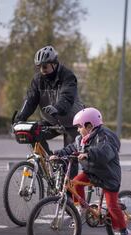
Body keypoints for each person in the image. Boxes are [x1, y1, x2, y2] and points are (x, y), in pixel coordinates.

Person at [50, 107, 131, 235]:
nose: (77, 130)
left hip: (108, 176)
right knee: (74, 183)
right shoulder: (81, 139)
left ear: (89, 126)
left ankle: (125, 234)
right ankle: (81, 209)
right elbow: (72, 148)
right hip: (92, 172)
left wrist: (89, 154)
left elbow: (105, 151)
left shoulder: (105, 136)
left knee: (112, 206)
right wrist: (58, 154)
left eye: (79, 127)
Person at [15, 45, 84, 177]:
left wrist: (57, 108)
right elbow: (30, 101)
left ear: (54, 64)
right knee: (33, 132)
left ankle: (69, 195)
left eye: (45, 66)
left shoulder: (67, 76)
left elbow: (67, 97)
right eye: (39, 67)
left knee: (70, 159)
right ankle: (49, 162)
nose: (42, 70)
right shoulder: (37, 80)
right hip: (51, 121)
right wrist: (19, 119)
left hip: (72, 123)